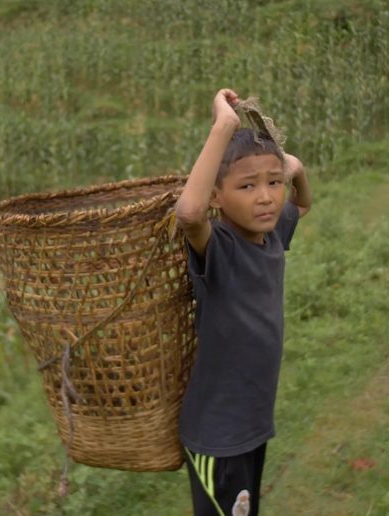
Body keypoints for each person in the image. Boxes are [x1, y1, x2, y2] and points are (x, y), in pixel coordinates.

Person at [174, 88, 312, 516]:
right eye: (247, 186)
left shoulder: (271, 234)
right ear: (217, 197)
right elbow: (189, 214)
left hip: (252, 425)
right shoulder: (220, 248)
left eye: (273, 182)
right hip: (218, 435)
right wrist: (224, 125)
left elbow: (302, 203)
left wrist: (297, 170)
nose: (266, 197)